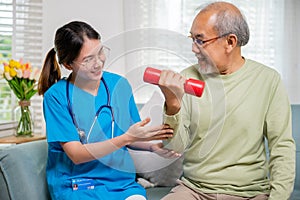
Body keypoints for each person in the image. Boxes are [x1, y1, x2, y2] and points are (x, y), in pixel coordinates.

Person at [156, 2, 296, 200]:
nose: (193, 49)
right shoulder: (186, 79)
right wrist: (173, 105)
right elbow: (174, 147)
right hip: (194, 190)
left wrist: (277, 198)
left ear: (230, 42)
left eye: (200, 40)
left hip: (250, 193)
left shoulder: (268, 80)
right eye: (192, 38)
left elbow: (281, 146)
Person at [37, 21, 175, 200]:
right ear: (68, 64)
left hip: (120, 184)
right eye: (88, 59)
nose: (98, 63)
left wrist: (151, 146)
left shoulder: (119, 85)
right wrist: (127, 138)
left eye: (100, 52)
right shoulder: (56, 97)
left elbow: (127, 134)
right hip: (78, 185)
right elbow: (76, 154)